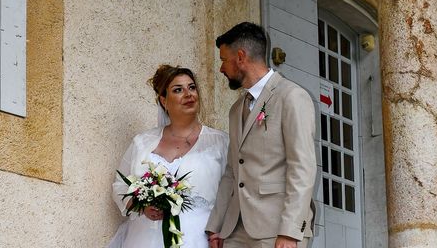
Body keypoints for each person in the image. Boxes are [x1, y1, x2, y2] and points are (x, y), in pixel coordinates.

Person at [205, 22, 316, 248]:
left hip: (276, 229)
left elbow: (302, 167)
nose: (221, 69)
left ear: (241, 57)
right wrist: (216, 226)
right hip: (235, 230)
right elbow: (232, 171)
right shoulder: (236, 110)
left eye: (224, 60)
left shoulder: (292, 97)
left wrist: (290, 232)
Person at [108, 65, 229, 248]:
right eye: (178, 90)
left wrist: (223, 231)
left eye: (192, 87)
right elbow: (120, 185)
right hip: (144, 238)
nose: (188, 94)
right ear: (164, 101)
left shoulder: (220, 142)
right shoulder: (142, 143)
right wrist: (141, 205)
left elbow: (234, 191)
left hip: (199, 238)